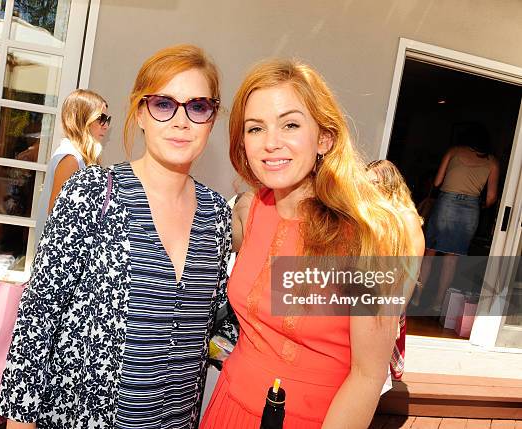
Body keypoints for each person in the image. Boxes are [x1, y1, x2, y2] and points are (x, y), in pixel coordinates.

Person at [0, 44, 233, 429]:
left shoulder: (216, 214)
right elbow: (39, 314)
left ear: (212, 117)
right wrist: (20, 422)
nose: (181, 121)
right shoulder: (93, 190)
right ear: (140, 112)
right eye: (163, 104)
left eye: (198, 106)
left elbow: (219, 324)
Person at [200, 59, 419, 428]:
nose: (271, 143)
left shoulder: (368, 237)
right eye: (255, 128)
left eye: (290, 124)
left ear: (324, 137)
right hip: (226, 409)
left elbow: (367, 376)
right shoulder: (250, 211)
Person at [417, 124, 499, 310]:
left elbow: (437, 182)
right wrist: (479, 204)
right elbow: (492, 197)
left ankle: (417, 296)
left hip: (447, 202)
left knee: (430, 251)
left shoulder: (454, 151)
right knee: (451, 258)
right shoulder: (492, 162)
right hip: (471, 208)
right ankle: (438, 303)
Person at [367, 159, 425, 380]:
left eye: (374, 183)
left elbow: (412, 271)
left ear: (389, 185)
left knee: (375, 370)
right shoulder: (372, 214)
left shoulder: (406, 218)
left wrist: (395, 313)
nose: (368, 188)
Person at [33, 89, 110, 248]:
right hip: (61, 255)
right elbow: (57, 216)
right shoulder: (71, 158)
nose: (105, 126)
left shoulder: (78, 155)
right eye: (101, 118)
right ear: (83, 118)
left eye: (107, 119)